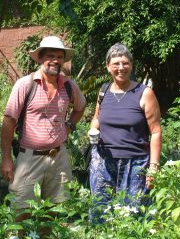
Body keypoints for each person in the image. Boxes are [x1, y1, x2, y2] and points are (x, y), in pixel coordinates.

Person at [0, 36, 86, 225]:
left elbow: (80, 107)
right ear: (40, 58)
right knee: (21, 212)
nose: (55, 60)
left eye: (59, 56)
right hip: (29, 159)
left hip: (59, 157)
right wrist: (6, 158)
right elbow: (9, 121)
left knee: (54, 210)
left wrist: (69, 126)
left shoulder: (69, 86)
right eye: (50, 56)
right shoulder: (25, 85)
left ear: (63, 60)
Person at [89, 43, 162, 223]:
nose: (121, 68)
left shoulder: (144, 93)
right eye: (116, 64)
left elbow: (156, 131)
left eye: (125, 63)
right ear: (108, 67)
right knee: (101, 212)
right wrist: (93, 129)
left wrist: (154, 167)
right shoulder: (103, 91)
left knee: (133, 214)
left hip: (135, 162)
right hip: (103, 162)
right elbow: (97, 118)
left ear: (131, 65)